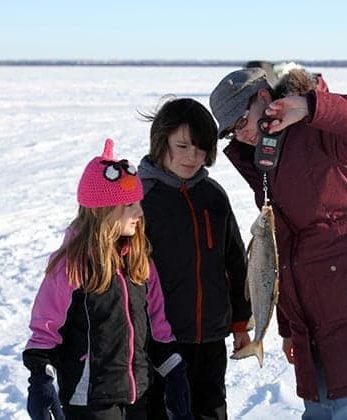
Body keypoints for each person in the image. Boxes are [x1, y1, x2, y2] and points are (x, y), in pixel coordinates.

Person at [209, 68, 347, 419]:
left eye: (242, 121)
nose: (241, 135)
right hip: (317, 320)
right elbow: (283, 249)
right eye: (231, 132)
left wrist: (311, 106)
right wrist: (290, 328)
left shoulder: (323, 128)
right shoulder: (266, 157)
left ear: (265, 99)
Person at [22, 139, 192, 420]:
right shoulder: (71, 266)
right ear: (103, 211)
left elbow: (158, 327)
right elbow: (45, 330)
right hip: (90, 399)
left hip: (137, 394)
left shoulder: (139, 262)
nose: (139, 212)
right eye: (129, 205)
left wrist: (175, 373)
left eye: (138, 203)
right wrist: (40, 379)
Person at [137, 97, 251, 420]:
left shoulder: (213, 196)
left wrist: (241, 320)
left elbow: (235, 261)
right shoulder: (141, 200)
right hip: (160, 342)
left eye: (200, 149)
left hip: (211, 339)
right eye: (182, 146)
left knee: (210, 411)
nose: (192, 157)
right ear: (162, 141)